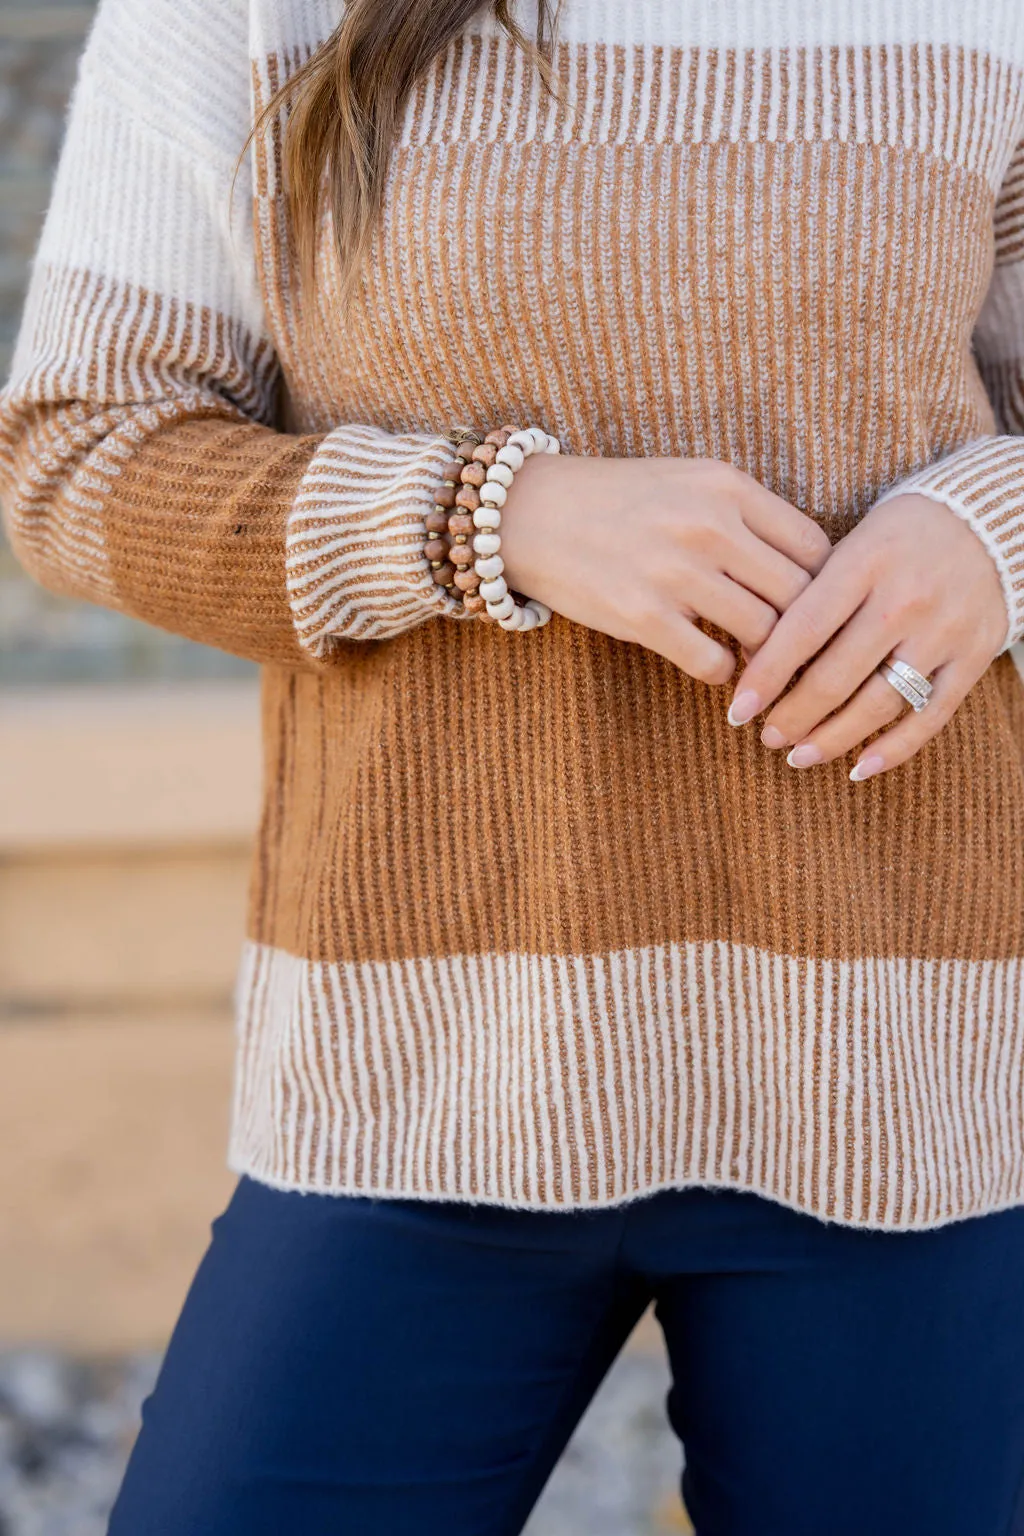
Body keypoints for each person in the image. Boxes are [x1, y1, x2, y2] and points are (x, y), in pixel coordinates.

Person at [2, 0, 1024, 1531]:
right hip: (423, 1057)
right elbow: (75, 452)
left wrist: (992, 534)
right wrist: (489, 519)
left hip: (900, 1057)